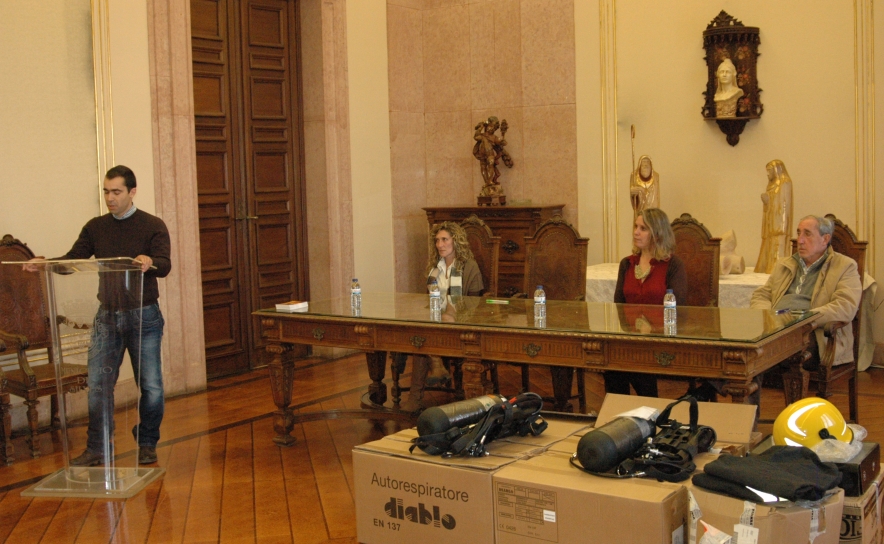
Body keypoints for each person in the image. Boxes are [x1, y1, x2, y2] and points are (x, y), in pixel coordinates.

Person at [29, 165, 172, 466]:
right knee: (98, 385)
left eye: (116, 192)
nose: (110, 198)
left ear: (132, 192)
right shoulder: (96, 227)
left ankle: (147, 441)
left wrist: (149, 261)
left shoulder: (153, 225)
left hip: (143, 316)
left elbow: (164, 264)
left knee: (151, 387)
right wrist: (47, 263)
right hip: (107, 317)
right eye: (106, 191)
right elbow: (74, 260)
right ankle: (97, 447)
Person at [750, 215, 862, 371]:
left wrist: (803, 319)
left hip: (814, 334)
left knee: (761, 354)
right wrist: (768, 317)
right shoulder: (785, 264)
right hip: (775, 329)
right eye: (798, 233)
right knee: (741, 348)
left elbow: (845, 307)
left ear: (825, 239)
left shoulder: (845, 266)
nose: (800, 240)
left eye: (807, 234)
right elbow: (761, 295)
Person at [400, 222, 483, 412]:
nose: (440, 245)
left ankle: (419, 391)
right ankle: (419, 393)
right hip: (436, 322)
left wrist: (451, 314)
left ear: (456, 241)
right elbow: (429, 299)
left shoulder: (469, 267)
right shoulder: (435, 268)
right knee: (420, 336)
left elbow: (475, 303)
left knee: (424, 338)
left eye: (444, 239)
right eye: (437, 240)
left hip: (462, 323)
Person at [605, 208, 687, 397]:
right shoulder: (627, 263)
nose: (636, 232)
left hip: (660, 337)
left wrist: (652, 332)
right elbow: (619, 305)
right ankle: (619, 409)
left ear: (657, 233)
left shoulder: (673, 265)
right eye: (636, 227)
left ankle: (648, 408)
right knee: (612, 360)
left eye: (643, 228)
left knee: (637, 361)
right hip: (631, 338)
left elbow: (678, 308)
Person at [754, 160, 793, 274]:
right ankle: (766, 266)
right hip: (771, 221)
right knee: (768, 244)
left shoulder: (785, 182)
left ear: (777, 170)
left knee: (778, 244)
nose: (768, 174)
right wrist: (767, 201)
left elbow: (784, 203)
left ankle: (775, 268)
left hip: (779, 222)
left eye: (769, 170)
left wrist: (769, 199)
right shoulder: (771, 185)